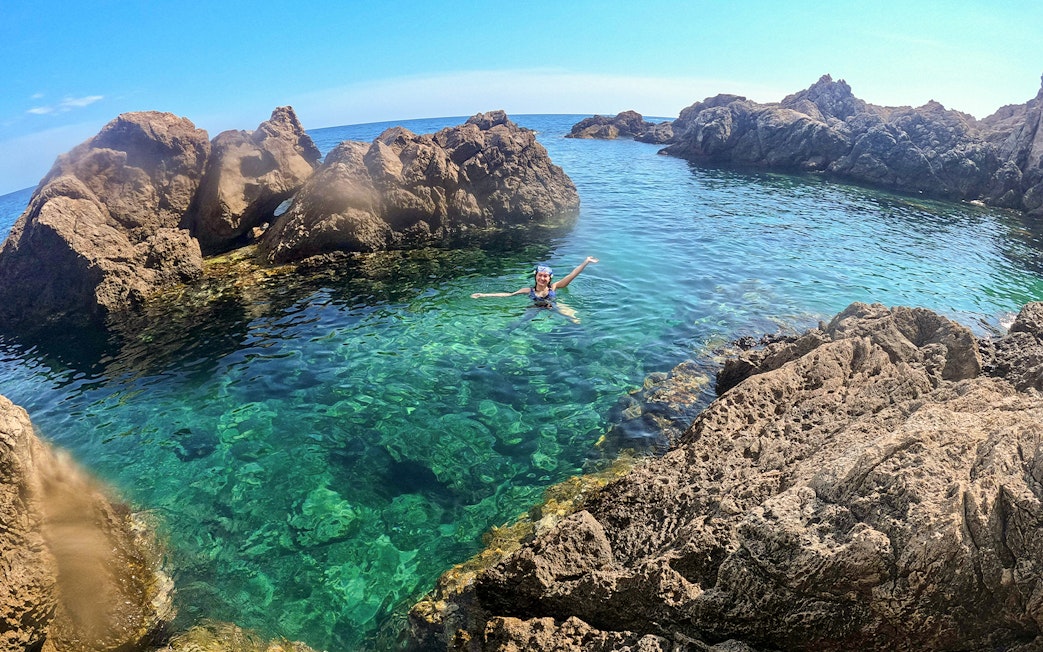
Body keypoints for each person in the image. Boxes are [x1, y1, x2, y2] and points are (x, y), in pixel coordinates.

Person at [471, 256, 599, 322]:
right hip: (534, 306)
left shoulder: (554, 287)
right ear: (536, 276)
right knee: (519, 322)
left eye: (545, 276)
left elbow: (572, 275)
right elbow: (508, 295)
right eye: (540, 275)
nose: (542, 278)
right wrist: (483, 295)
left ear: (550, 278)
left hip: (553, 305)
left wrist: (585, 262)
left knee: (575, 321)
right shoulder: (528, 290)